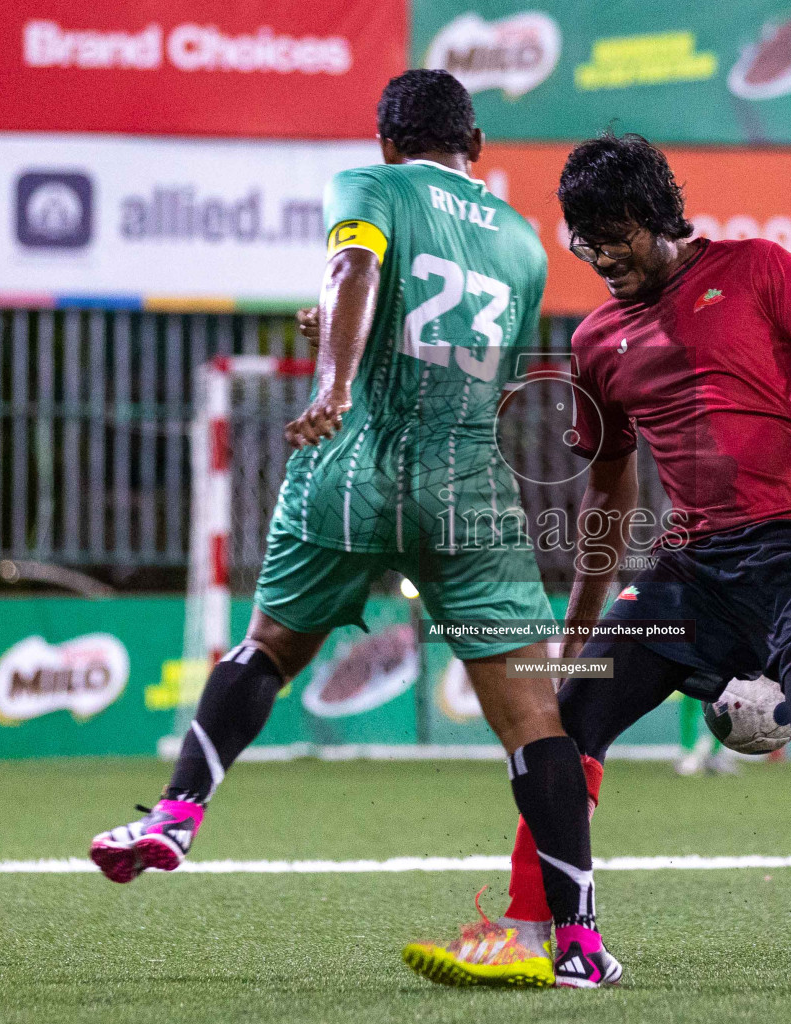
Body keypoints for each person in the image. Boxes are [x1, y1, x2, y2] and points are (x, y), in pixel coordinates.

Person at [423, 131, 791, 985]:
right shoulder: (596, 342)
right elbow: (611, 490)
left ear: (658, 217)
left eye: (616, 233)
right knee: (569, 720)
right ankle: (532, 928)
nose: (602, 256)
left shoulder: (759, 268)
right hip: (693, 572)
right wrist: (580, 634)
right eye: (586, 240)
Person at [89, 70, 619, 990]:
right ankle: (577, 944)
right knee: (538, 723)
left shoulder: (368, 188)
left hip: (357, 470)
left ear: (386, 141)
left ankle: (176, 814)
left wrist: (332, 383)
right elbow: (452, 349)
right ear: (477, 145)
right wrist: (344, 335)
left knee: (266, 651)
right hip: (469, 490)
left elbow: (357, 269)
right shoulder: (528, 246)